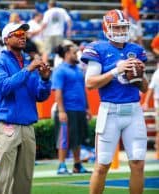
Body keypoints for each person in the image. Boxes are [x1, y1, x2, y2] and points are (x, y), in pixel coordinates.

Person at [81, 9, 148, 194]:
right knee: (102, 165)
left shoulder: (135, 50)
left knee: (138, 163)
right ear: (107, 28)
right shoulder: (99, 49)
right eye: (116, 28)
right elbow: (90, 83)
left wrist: (139, 75)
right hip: (109, 111)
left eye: (122, 27)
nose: (120, 31)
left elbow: (144, 88)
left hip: (133, 110)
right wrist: (116, 70)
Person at [0, 22, 51, 194]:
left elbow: (40, 96)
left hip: (27, 125)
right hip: (7, 124)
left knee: (25, 179)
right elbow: (3, 87)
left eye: (25, 34)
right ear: (7, 39)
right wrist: (28, 70)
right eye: (18, 33)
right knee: (3, 177)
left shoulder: (28, 63)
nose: (23, 36)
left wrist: (45, 80)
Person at [51, 44, 90, 174]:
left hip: (79, 110)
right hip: (67, 110)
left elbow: (83, 91)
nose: (77, 55)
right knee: (64, 138)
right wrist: (61, 111)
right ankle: (62, 165)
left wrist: (87, 108)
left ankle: (77, 165)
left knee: (77, 139)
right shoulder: (60, 70)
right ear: (67, 54)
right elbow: (58, 92)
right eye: (74, 53)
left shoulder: (79, 70)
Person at [142, 65, 159, 159]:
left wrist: (146, 102)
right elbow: (150, 89)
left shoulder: (156, 74)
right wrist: (146, 103)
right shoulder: (157, 75)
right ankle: (158, 153)